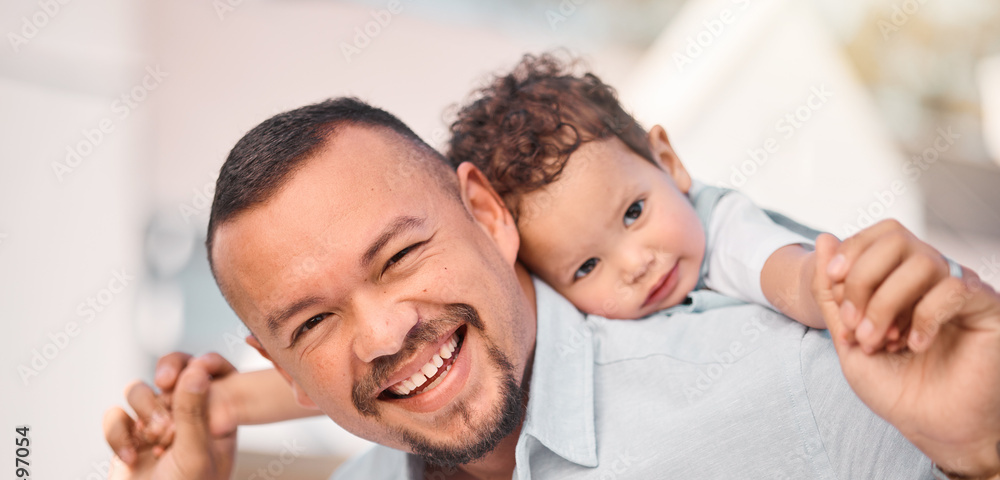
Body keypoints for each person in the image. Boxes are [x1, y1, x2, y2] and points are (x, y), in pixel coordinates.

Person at [102, 92, 1000, 480]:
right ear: (289, 373)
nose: (385, 331)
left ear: (488, 214)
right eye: (314, 322)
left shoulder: (805, 386)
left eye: (403, 255)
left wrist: (989, 448)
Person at [128, 54, 936, 437]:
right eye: (585, 265)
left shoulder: (718, 235)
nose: (639, 264)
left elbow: (785, 273)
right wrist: (223, 402)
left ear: (670, 164)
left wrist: (842, 297)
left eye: (633, 214)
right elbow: (349, 378)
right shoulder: (530, 310)